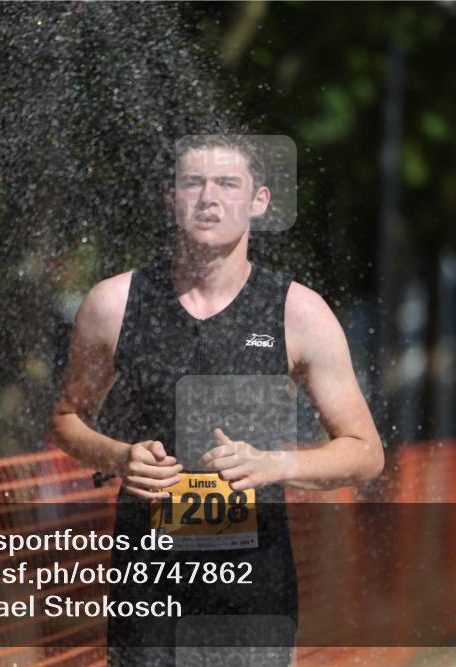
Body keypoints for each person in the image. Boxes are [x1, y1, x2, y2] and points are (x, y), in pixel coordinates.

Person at [51, 134, 384, 665]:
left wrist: (275, 464)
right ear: (170, 199)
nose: (209, 197)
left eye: (228, 183)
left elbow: (366, 451)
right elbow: (67, 419)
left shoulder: (297, 312)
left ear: (259, 201)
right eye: (193, 183)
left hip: (253, 589)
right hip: (148, 585)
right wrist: (118, 457)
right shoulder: (114, 303)